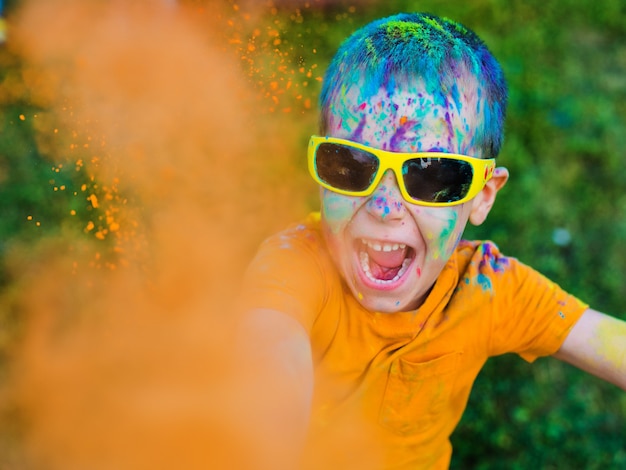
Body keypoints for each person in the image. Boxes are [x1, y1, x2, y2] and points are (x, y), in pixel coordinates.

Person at [237, 12, 626, 469]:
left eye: (432, 174)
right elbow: (270, 352)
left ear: (481, 197)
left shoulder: (485, 290)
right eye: (351, 163)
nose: (384, 207)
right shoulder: (297, 266)